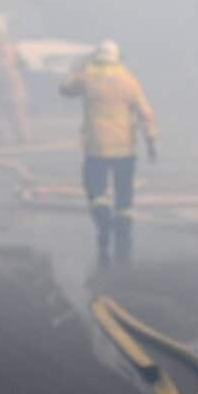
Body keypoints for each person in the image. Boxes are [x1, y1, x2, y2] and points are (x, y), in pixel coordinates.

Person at [59, 39, 156, 266]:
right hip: (125, 147)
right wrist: (151, 140)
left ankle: (102, 216)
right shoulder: (128, 79)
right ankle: (123, 235)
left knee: (95, 188)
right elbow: (144, 111)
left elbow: (65, 89)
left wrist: (80, 66)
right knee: (124, 193)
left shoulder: (88, 77)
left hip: (96, 146)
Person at [0, 17, 30, 145]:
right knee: (12, 108)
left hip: (4, 79)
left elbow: (0, 64)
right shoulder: (9, 45)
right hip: (11, 78)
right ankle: (20, 136)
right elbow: (21, 62)